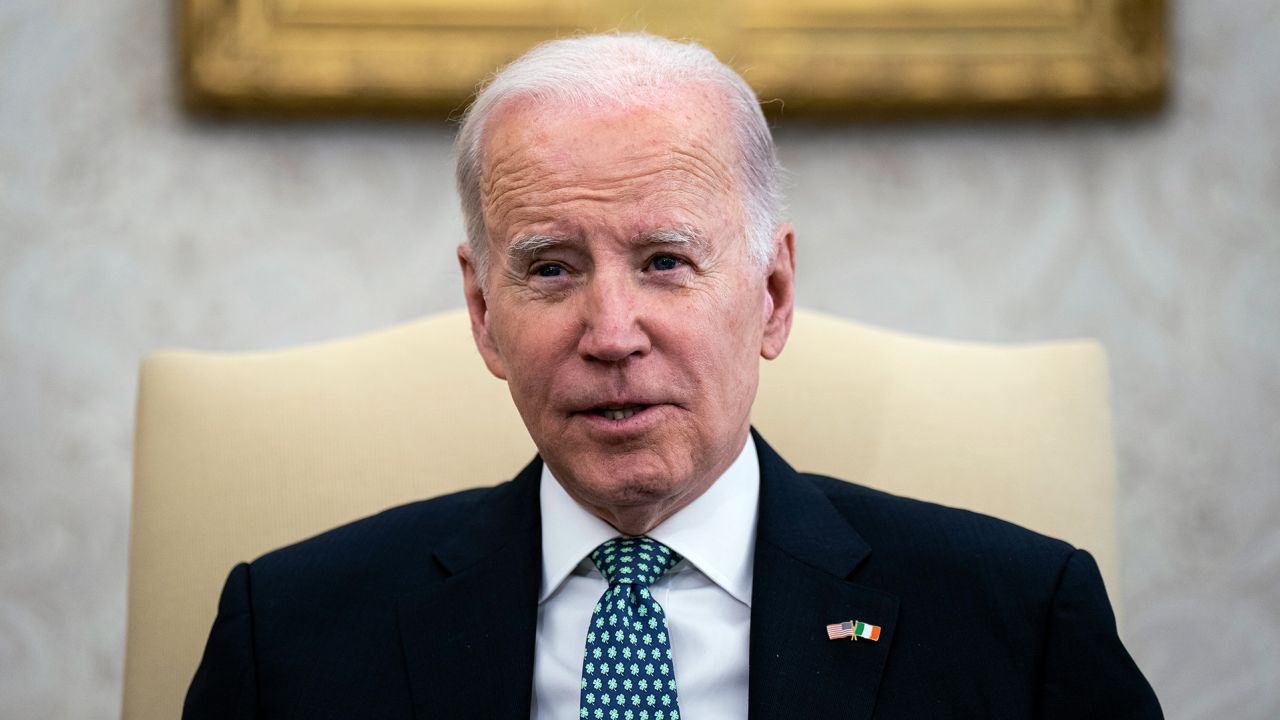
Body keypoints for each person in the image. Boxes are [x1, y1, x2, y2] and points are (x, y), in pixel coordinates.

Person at [184, 33, 1162, 719]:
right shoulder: (290, 637)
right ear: (482, 314)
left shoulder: (1017, 623)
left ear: (772, 294)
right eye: (551, 268)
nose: (611, 334)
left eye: (663, 262)